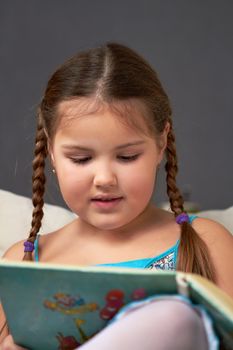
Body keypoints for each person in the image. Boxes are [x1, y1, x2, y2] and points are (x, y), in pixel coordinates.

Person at [0, 42, 232, 350]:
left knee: (175, 317)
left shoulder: (205, 242)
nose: (105, 179)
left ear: (161, 144)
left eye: (127, 157)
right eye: (81, 159)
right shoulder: (22, 263)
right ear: (52, 152)